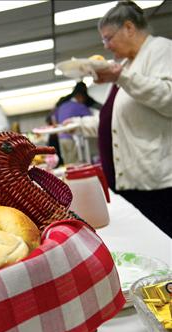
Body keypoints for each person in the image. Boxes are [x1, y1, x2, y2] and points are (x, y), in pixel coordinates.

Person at [95, 0, 172, 236]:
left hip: (156, 180)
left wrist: (122, 77)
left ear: (129, 28)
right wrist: (79, 125)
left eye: (108, 38)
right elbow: (118, 117)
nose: (106, 46)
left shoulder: (161, 49)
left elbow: (168, 99)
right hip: (132, 179)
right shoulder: (128, 64)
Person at [52, 82, 100, 164]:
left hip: (61, 138)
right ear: (80, 96)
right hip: (71, 138)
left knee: (67, 162)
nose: (84, 100)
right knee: (74, 163)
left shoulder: (63, 105)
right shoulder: (79, 106)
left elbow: (53, 118)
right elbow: (91, 119)